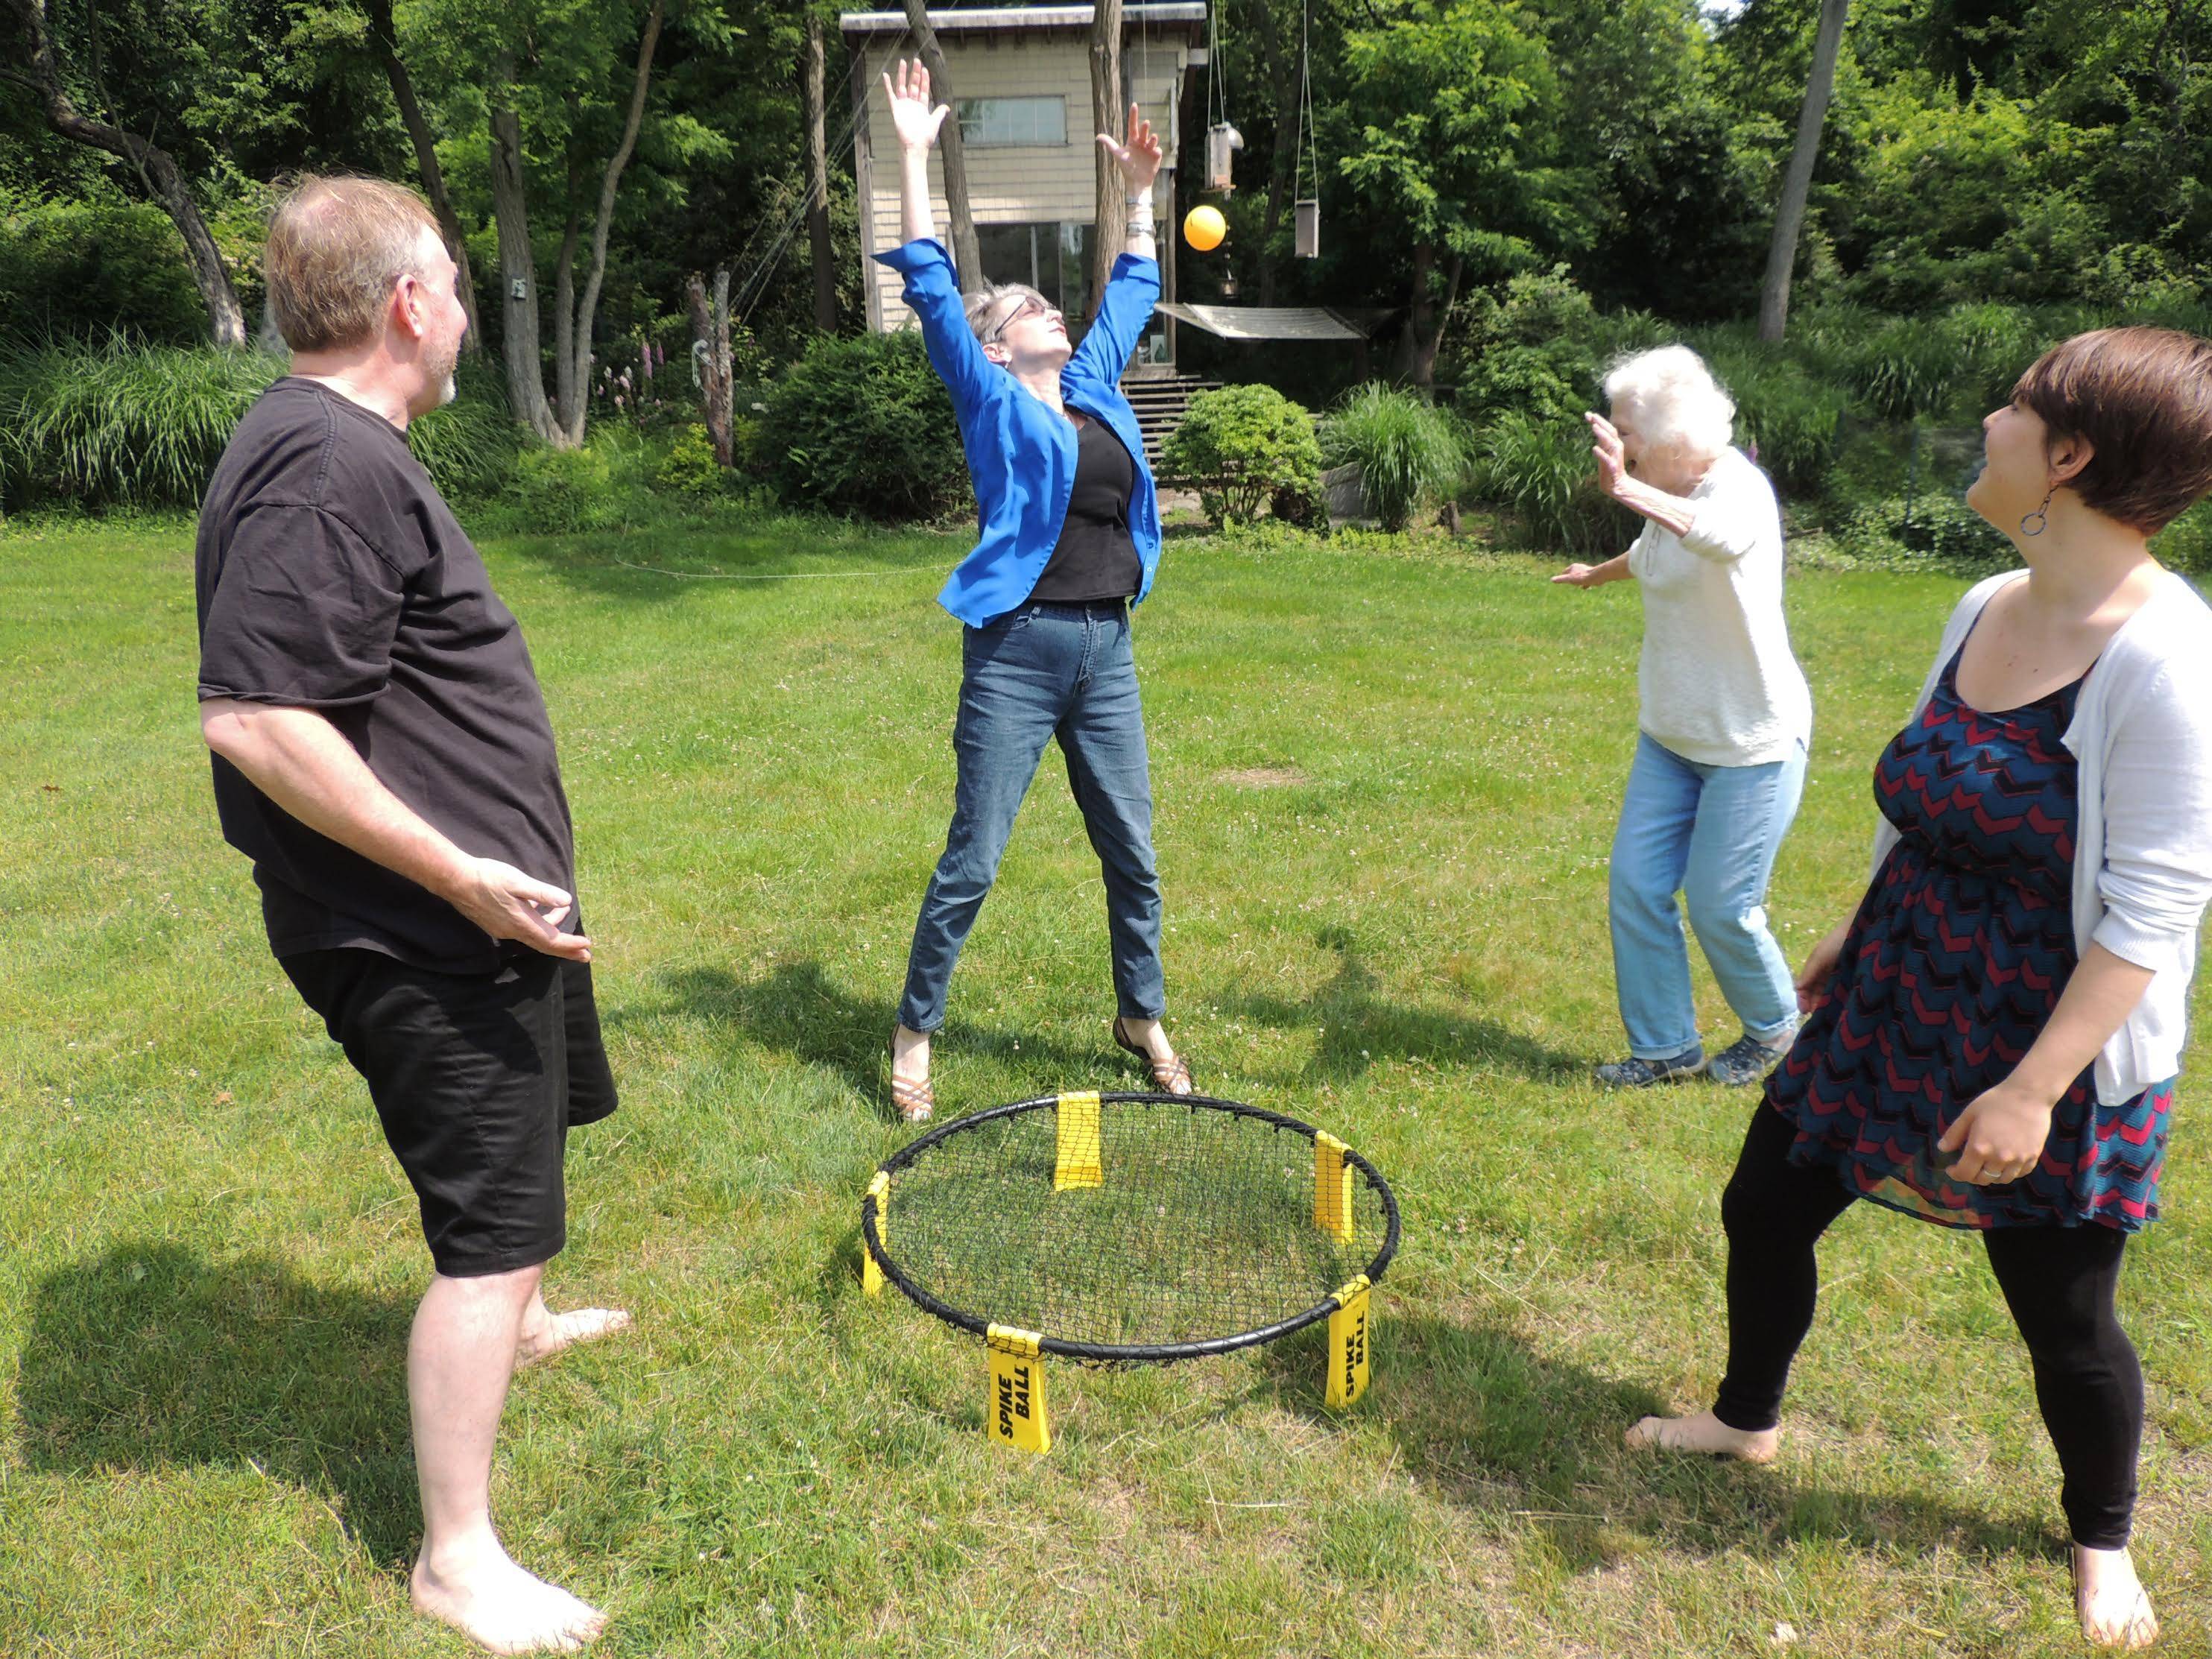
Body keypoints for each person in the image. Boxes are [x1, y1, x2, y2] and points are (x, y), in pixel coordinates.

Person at [1625, 328, 2212, 1651]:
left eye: (2011, 407)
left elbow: (2154, 910)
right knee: (1764, 1204)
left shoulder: (2168, 656)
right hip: (1898, 983)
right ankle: (1743, 1418)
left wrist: (2031, 1087)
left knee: (2063, 1318)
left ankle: (2101, 1540)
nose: (1987, 423)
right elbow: (1925, 796)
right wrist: (1849, 928)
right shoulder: (1982, 607)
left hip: (2043, 1038)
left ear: (2067, 457)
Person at [195, 175, 628, 1655]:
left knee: (522, 1161)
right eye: (452, 279)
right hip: (422, 930)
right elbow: (255, 719)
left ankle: (522, 1322)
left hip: (482, 914)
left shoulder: (334, 444)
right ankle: (456, 1558)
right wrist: (456, 873)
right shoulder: (327, 464)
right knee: (486, 1228)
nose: (459, 306)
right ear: (407, 305)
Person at [876, 60, 1194, 1122]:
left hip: (1107, 647)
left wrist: (1142, 195)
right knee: (975, 855)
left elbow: (1136, 288)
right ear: (1000, 340)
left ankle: (1139, 1013)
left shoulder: (1096, 387)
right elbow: (927, 279)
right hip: (1017, 651)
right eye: (1028, 306)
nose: (1052, 307)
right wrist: (916, 159)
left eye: (1051, 302)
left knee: (1134, 851)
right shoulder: (988, 397)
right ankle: (915, 1029)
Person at [1554, 346, 1814, 1087]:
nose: (1616, 441)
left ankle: (1774, 1030)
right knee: (1636, 885)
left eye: (1625, 430)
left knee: (1721, 906)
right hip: (1670, 739)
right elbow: (1649, 555)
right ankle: (1665, 1048)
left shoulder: (1738, 489)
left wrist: (1625, 489)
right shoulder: (1665, 490)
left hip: (1750, 743)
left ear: (1670, 435)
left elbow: (1717, 536)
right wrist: (1590, 575)